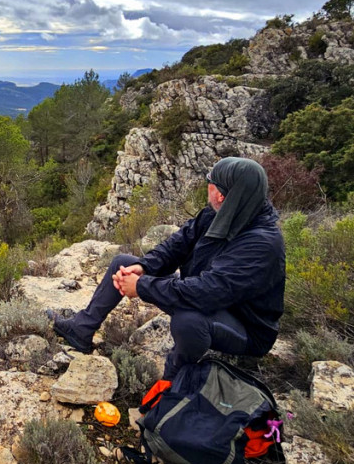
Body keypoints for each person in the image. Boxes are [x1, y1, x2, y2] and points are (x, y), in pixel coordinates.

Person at [49, 156, 285, 380]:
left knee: (189, 319)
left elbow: (209, 293)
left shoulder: (262, 243)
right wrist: (142, 268)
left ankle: (172, 386)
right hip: (207, 299)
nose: (207, 188)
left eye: (209, 183)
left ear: (222, 194)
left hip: (243, 328)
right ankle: (80, 330)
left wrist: (142, 287)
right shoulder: (217, 215)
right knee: (123, 263)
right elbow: (176, 246)